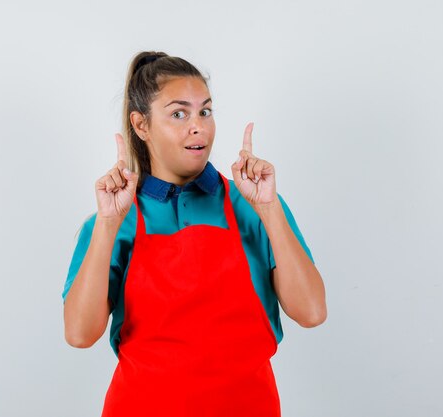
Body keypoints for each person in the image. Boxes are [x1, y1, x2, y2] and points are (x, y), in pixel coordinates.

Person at [62, 51, 327, 417]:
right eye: (178, 114)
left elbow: (311, 312)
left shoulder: (254, 204)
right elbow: (79, 334)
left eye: (205, 111)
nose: (198, 126)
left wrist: (268, 209)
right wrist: (107, 224)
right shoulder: (113, 220)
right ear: (141, 126)